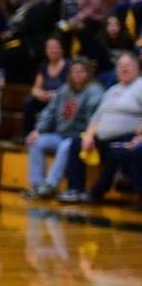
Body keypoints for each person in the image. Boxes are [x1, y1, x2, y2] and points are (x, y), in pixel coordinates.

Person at [60, 52, 142, 202]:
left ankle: (97, 192)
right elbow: (97, 116)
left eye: (127, 66)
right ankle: (75, 189)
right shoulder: (112, 90)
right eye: (120, 66)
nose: (123, 69)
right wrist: (89, 135)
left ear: (137, 68)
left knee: (116, 151)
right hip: (101, 138)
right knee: (76, 143)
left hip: (126, 137)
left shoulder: (140, 86)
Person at [24, 57, 103, 198]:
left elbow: (95, 117)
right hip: (60, 134)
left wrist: (88, 134)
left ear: (88, 74)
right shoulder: (64, 89)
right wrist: (38, 130)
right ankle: (36, 184)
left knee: (66, 146)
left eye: (81, 71)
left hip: (79, 136)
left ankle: (50, 185)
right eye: (74, 72)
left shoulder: (94, 91)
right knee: (34, 141)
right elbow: (50, 111)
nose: (77, 75)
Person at [25, 37, 71, 136]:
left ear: (61, 49)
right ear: (46, 50)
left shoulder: (68, 65)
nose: (53, 50)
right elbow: (35, 87)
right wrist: (39, 94)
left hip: (61, 98)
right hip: (45, 98)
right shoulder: (44, 66)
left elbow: (70, 88)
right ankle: (27, 134)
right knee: (29, 102)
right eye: (50, 48)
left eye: (56, 47)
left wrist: (54, 95)